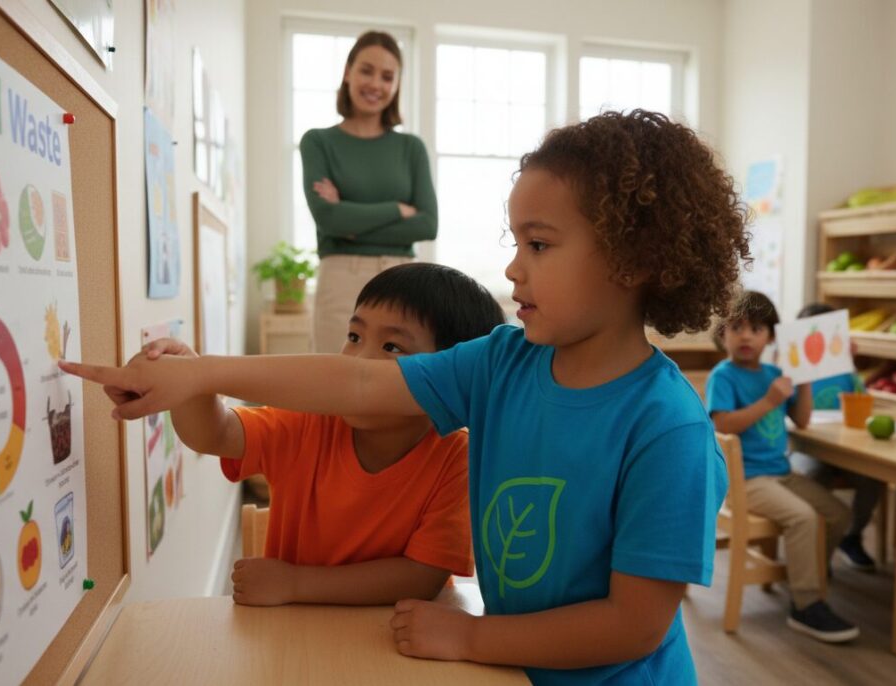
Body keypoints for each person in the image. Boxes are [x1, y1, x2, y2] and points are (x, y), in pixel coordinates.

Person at [63, 110, 741, 685]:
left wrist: (469, 638)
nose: (512, 266)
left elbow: (633, 626)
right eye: (515, 241)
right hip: (511, 673)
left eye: (539, 243)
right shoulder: (504, 363)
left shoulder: (668, 430)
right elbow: (357, 383)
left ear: (634, 261)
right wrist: (201, 374)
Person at [150, 263, 503, 606]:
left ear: (447, 381)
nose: (357, 359)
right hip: (294, 635)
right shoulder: (310, 420)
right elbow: (214, 434)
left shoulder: (458, 456)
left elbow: (421, 577)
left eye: (392, 347)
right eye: (354, 336)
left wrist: (295, 583)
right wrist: (190, 377)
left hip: (394, 639)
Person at [706, 291, 859, 643]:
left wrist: (803, 380)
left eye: (756, 328)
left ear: (771, 337)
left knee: (838, 514)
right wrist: (770, 400)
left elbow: (802, 420)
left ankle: (808, 572)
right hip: (747, 480)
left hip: (781, 472)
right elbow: (724, 425)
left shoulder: (777, 373)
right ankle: (806, 604)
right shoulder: (724, 376)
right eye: (737, 327)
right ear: (722, 335)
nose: (746, 335)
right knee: (804, 518)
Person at [300, 31, 437, 353]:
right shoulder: (318, 142)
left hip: (403, 276)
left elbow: (428, 224)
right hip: (340, 277)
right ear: (348, 72)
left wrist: (351, 218)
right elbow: (329, 220)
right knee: (333, 383)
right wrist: (397, 209)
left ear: (396, 85)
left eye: (387, 76)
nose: (376, 83)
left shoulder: (410, 148)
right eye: (366, 70)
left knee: (395, 382)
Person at [790, 302, 884, 572]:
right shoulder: (795, 370)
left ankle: (851, 536)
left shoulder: (845, 371)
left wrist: (852, 366)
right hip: (806, 448)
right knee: (811, 477)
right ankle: (817, 546)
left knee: (871, 479)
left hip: (844, 448)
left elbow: (862, 401)